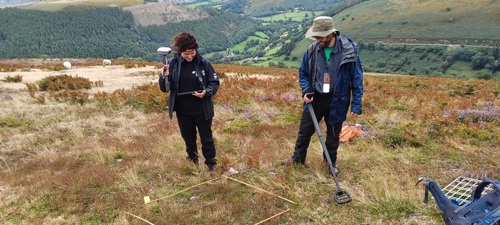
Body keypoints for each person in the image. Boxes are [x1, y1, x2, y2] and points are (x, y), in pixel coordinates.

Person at [284, 16, 364, 174]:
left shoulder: (349, 50)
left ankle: (329, 164)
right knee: (304, 131)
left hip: (338, 99)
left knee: (333, 136)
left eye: (320, 36)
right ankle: (298, 158)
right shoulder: (312, 50)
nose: (317, 39)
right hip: (315, 98)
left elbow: (357, 78)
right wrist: (306, 90)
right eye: (315, 36)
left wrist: (356, 104)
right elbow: (303, 73)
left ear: (330, 34)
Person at [158, 32, 220, 171]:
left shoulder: (204, 64)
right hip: (183, 111)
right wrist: (164, 77)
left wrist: (207, 92)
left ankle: (211, 164)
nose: (190, 56)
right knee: (188, 139)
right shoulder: (172, 65)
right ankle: (193, 162)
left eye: (192, 53)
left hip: (202, 109)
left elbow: (214, 82)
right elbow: (164, 88)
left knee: (207, 138)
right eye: (186, 54)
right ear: (180, 52)